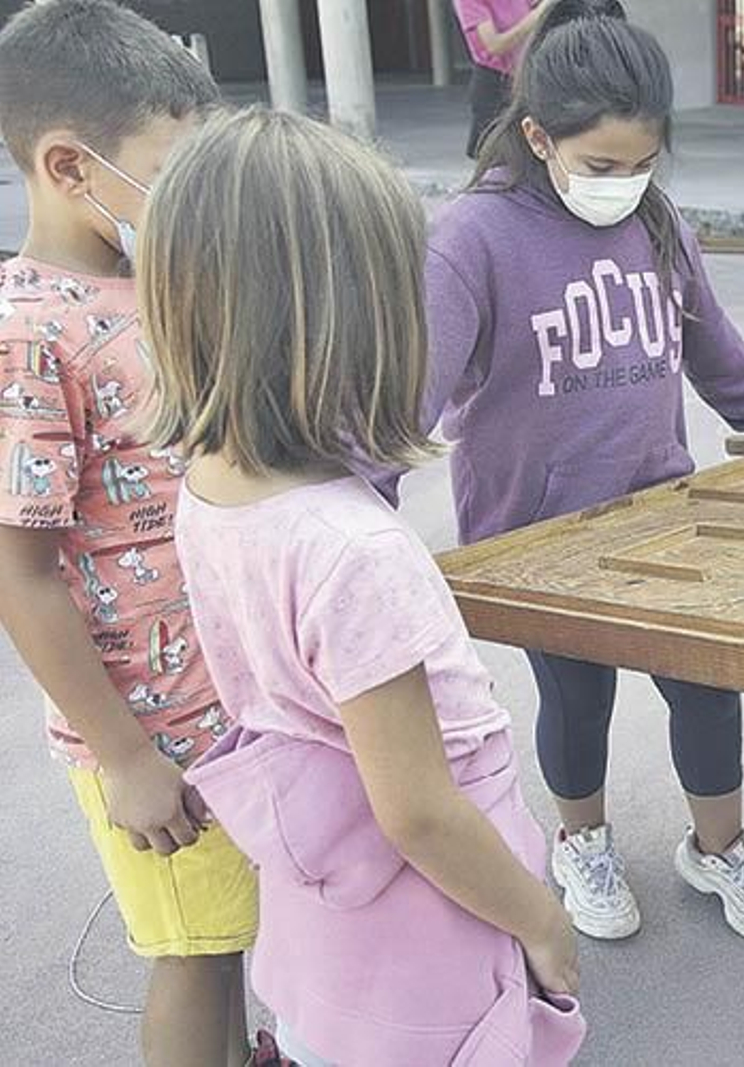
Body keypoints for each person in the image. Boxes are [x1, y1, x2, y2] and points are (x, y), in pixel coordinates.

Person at [146, 108, 585, 1066]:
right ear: (358, 317)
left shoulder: (207, 482)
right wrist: (542, 920)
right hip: (425, 934)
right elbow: (420, 809)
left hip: (323, 910)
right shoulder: (355, 550)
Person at [391, 0, 744, 947]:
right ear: (538, 136)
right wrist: (348, 523)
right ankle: (583, 840)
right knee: (577, 698)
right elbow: (404, 406)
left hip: (665, 518)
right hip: (539, 539)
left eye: (645, 163)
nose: (626, 183)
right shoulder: (472, 240)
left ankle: (720, 847)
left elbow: (723, 360)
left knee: (707, 684)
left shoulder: (658, 223)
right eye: (602, 167)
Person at [0, 4, 258, 1064]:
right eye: (173, 177)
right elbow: (20, 574)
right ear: (69, 164)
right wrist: (125, 757)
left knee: (234, 929)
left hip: (231, 700)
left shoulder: (147, 282)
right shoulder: (26, 329)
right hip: (151, 733)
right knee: (194, 952)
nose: (189, 207)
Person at [454, 0, 551, 158]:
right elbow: (494, 46)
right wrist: (536, 16)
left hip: (524, 77)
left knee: (533, 152)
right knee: (497, 157)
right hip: (493, 82)